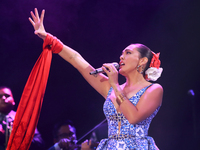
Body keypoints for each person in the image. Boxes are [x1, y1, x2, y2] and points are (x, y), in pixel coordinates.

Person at [29, 8, 163, 149]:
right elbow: (77, 60)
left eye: (128, 53)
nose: (121, 57)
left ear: (142, 61)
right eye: (122, 53)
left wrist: (115, 85)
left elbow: (133, 118)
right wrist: (48, 38)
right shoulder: (110, 86)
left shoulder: (153, 89)